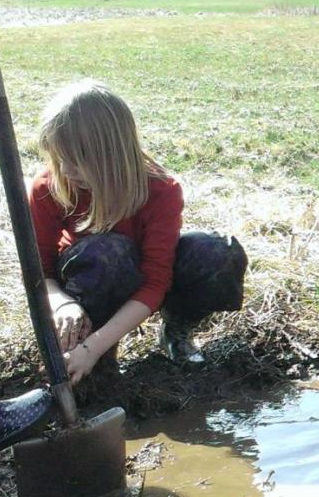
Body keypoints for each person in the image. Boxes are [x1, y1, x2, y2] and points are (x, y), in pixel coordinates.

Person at [31, 81, 247, 382]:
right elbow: (39, 273)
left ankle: (176, 331)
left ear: (111, 155)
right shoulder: (49, 188)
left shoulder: (161, 190)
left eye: (76, 162)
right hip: (87, 282)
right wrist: (62, 304)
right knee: (107, 251)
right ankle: (95, 352)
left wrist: (93, 347)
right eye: (59, 159)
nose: (65, 170)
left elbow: (156, 280)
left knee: (218, 252)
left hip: (143, 278)